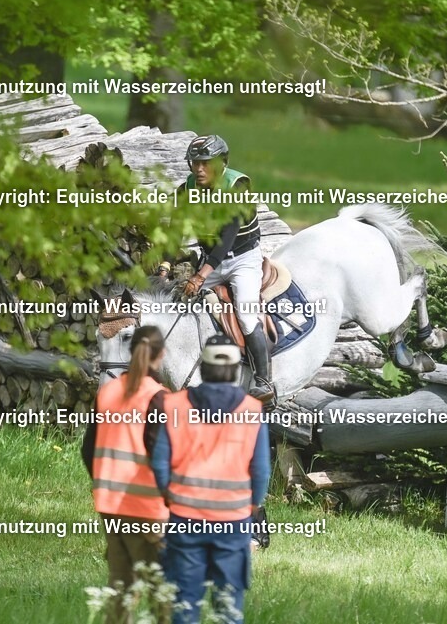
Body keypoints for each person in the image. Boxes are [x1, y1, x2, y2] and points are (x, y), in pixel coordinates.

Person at [148, 335, 271, 624]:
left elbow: (160, 464)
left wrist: (171, 499)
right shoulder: (252, 411)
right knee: (228, 605)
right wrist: (252, 506)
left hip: (184, 518)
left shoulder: (174, 406)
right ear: (235, 369)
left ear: (203, 366)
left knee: (184, 603)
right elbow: (261, 472)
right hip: (233, 520)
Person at [82, 326, 171, 624]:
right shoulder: (158, 398)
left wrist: (104, 483)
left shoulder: (107, 392)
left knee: (121, 589)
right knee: (166, 591)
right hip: (147, 510)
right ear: (160, 356)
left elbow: (88, 449)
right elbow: (163, 461)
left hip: (110, 505)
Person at [178, 134, 274, 402]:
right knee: (180, 305)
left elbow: (227, 238)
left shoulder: (237, 186)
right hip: (211, 260)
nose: (199, 169)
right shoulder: (186, 189)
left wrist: (200, 276)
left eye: (206, 163)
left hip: (243, 258)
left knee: (245, 314)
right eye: (195, 163)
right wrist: (163, 265)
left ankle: (264, 381)